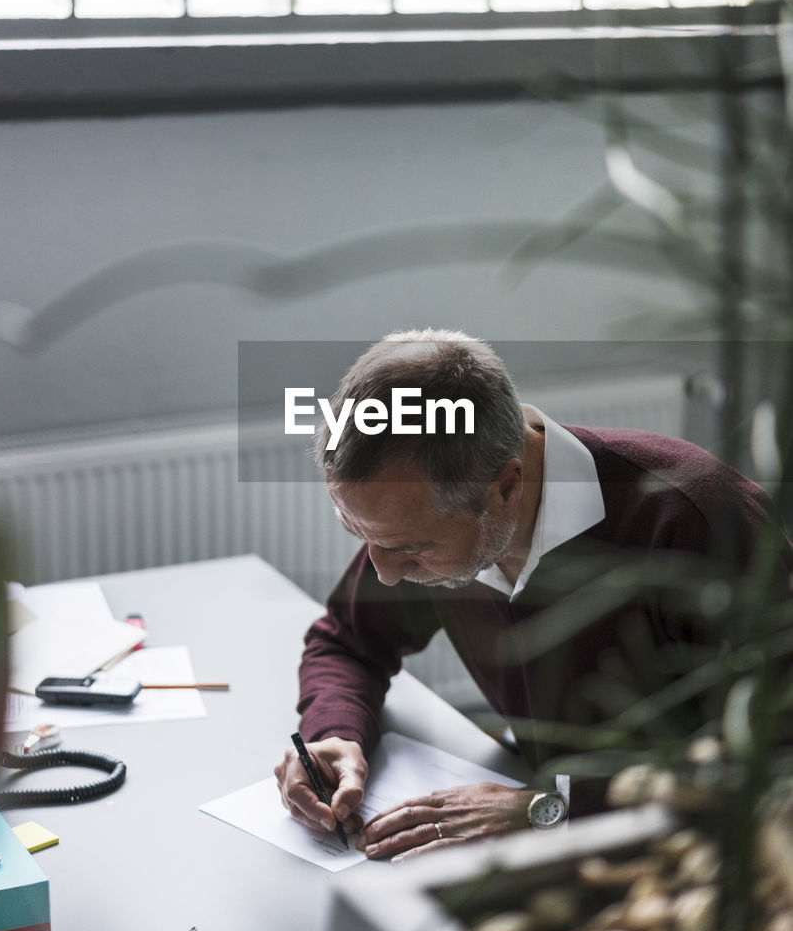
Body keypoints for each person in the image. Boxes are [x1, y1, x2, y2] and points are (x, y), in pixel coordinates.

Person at [274, 329, 792, 862]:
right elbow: (347, 640)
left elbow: (772, 760)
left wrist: (549, 809)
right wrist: (336, 734)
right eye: (359, 534)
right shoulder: (421, 515)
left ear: (506, 488)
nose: (383, 573)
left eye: (411, 547)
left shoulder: (701, 524)